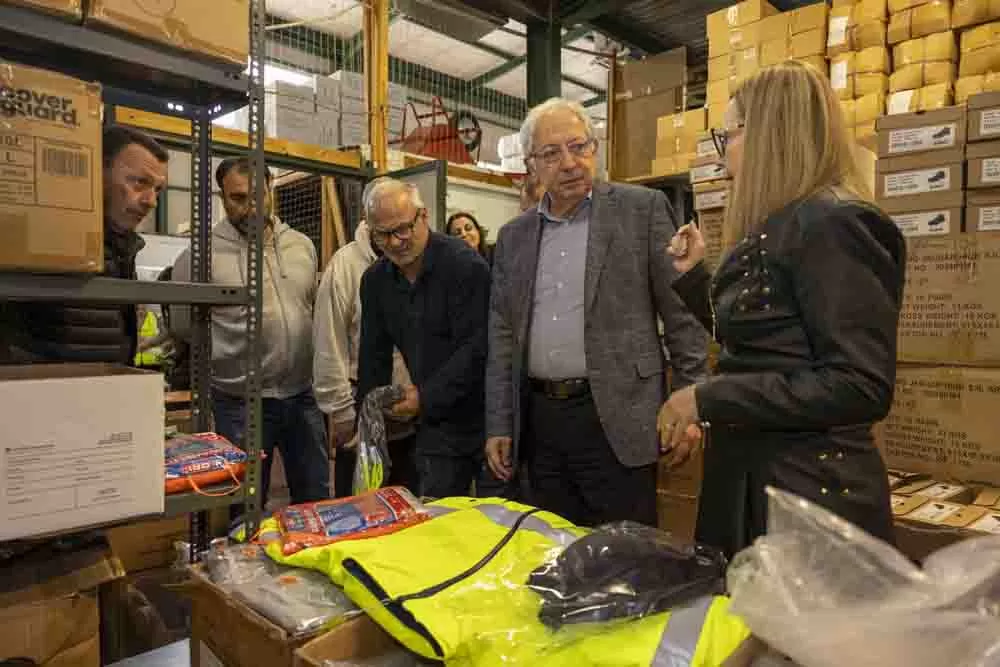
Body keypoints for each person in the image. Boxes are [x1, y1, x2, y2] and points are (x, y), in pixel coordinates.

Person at [661, 61, 904, 558]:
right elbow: (763, 342)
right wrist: (694, 278)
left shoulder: (833, 224)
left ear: (769, 133)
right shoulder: (787, 222)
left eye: (727, 135)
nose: (722, 153)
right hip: (764, 486)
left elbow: (858, 384)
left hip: (807, 498)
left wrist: (707, 397)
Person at [484, 98, 707, 527]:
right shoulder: (514, 237)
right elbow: (502, 335)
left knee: (626, 551)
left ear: (595, 148)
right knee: (550, 546)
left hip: (620, 417)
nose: (570, 163)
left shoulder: (641, 210)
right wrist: (500, 422)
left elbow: (683, 316)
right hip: (540, 425)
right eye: (552, 153)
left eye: (578, 146)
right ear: (532, 166)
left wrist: (691, 400)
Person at [171, 157, 329, 507]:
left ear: (270, 190)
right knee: (244, 507)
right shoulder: (201, 255)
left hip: (302, 396)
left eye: (259, 196)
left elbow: (310, 307)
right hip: (239, 402)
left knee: (316, 497)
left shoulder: (301, 246)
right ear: (222, 198)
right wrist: (230, 358)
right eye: (239, 198)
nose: (252, 207)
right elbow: (183, 325)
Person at [357, 178, 492, 498]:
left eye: (402, 229)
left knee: (494, 515)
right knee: (436, 511)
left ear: (424, 216)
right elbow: (372, 356)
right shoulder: (375, 282)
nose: (395, 242)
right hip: (436, 427)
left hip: (487, 418)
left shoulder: (465, 266)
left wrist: (424, 396)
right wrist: (368, 418)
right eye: (382, 234)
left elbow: (477, 349)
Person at [0, 125, 167, 364]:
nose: (151, 201)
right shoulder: (42, 238)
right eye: (139, 182)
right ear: (96, 174)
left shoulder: (123, 248)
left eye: (157, 190)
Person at [314, 180, 417, 497]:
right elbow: (329, 344)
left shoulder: (414, 259)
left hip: (411, 411)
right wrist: (342, 412)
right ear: (367, 219)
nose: (395, 237)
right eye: (384, 227)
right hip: (360, 411)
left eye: (401, 225)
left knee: (407, 504)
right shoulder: (344, 267)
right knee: (360, 504)